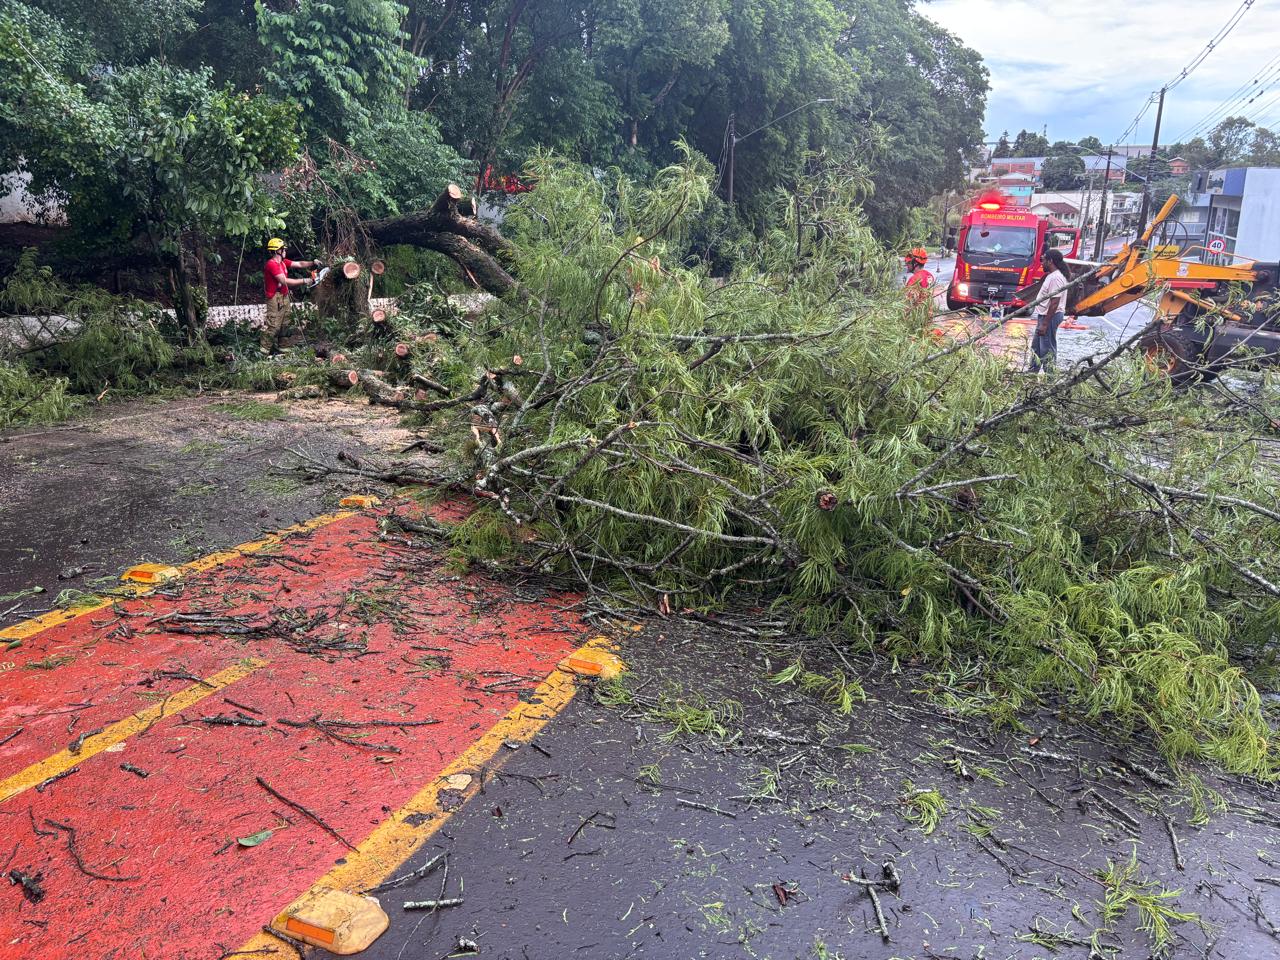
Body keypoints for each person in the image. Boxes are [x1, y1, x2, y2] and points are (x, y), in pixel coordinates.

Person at [261, 238, 323, 355]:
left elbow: (299, 264)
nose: (285, 251)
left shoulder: (283, 262)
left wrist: (312, 262)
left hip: (284, 296)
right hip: (274, 298)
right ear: (277, 251)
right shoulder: (272, 264)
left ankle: (283, 349)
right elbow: (284, 281)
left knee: (285, 323)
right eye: (283, 249)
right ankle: (263, 351)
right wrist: (305, 280)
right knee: (274, 325)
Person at [1029, 248, 1069, 372]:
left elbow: (1054, 302)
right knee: (1036, 347)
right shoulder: (1051, 276)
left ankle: (1050, 377)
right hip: (1044, 316)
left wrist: (1045, 324)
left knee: (1047, 348)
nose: (1041, 263)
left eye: (1043, 260)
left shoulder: (1056, 278)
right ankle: (1032, 372)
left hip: (1050, 316)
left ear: (1050, 261)